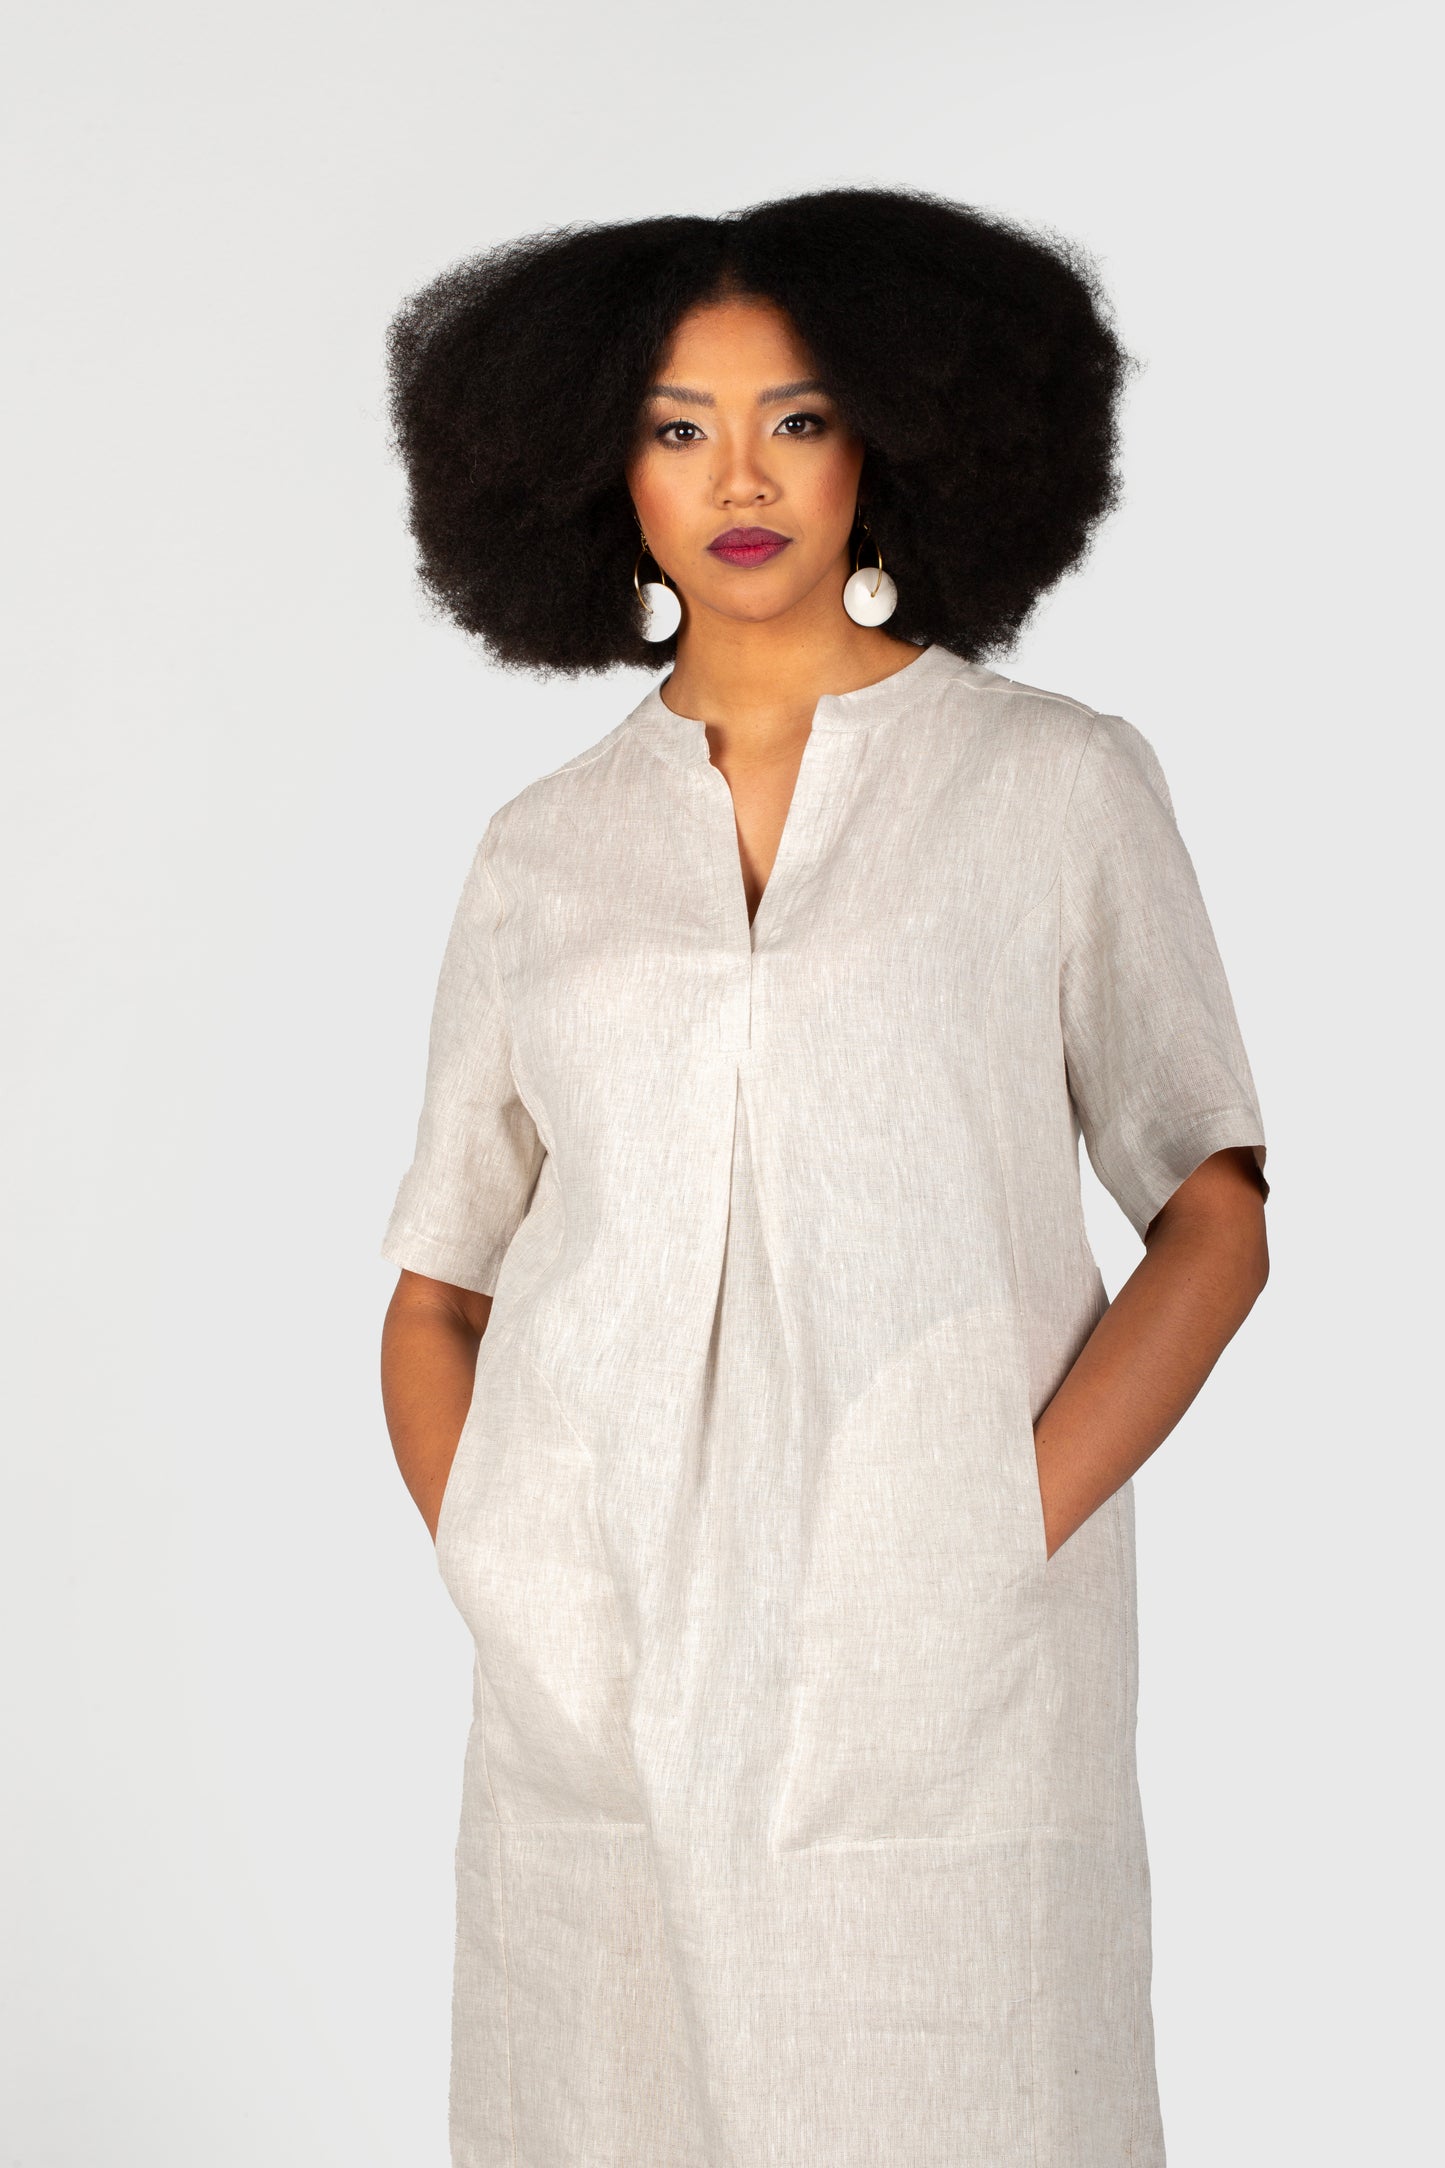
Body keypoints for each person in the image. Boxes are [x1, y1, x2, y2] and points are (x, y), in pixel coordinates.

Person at [377, 185, 1270, 2168]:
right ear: (596, 465)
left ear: (891, 438)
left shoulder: (1051, 783)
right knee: (601, 2102)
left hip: (945, 1653)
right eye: (675, 425)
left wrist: (998, 1521)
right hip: (597, 1649)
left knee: (967, 2092)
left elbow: (1213, 1204)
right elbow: (439, 1283)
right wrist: (509, 1560)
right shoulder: (543, 849)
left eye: (796, 416)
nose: (740, 477)